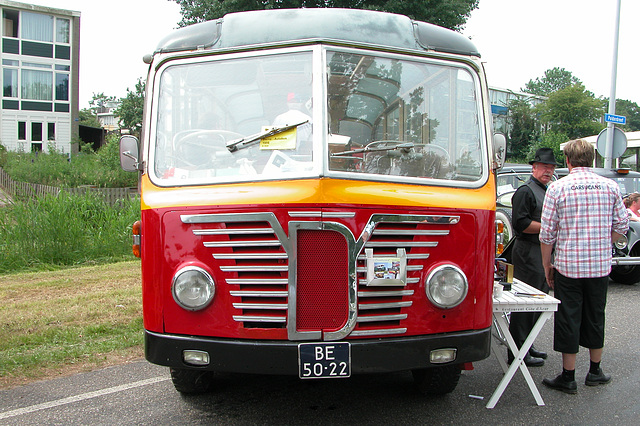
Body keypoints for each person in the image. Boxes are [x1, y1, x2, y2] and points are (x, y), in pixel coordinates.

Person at [540, 138, 629, 394]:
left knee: (569, 317)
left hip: (569, 266)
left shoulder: (557, 189)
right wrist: (603, 241)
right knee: (595, 315)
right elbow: (622, 227)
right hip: (599, 267)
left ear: (567, 161)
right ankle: (595, 371)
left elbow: (547, 234)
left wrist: (548, 265)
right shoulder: (610, 187)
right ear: (592, 159)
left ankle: (568, 377)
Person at [507, 147, 559, 367]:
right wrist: (549, 228)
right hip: (528, 252)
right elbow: (520, 224)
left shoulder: (545, 190)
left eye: (551, 167)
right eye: (544, 167)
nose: (548, 171)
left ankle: (527, 344)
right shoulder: (525, 191)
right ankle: (516, 351)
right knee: (525, 303)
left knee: (538, 301)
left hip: (541, 251)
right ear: (534, 167)